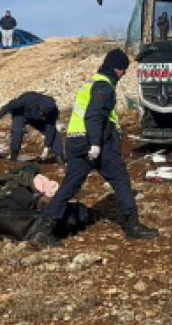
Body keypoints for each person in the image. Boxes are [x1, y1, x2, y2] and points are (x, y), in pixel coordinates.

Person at [30, 49, 159, 246]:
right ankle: (132, 226)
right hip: (93, 143)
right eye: (122, 70)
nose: (124, 74)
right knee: (120, 179)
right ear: (115, 69)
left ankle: (44, 228)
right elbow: (93, 115)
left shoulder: (89, 85)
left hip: (75, 141)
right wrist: (96, 145)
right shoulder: (104, 87)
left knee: (70, 185)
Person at [0, 91, 65, 164]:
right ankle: (13, 157)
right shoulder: (29, 98)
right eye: (42, 112)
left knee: (55, 135)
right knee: (17, 131)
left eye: (45, 113)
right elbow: (10, 106)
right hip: (21, 114)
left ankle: (60, 159)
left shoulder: (53, 112)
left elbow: (50, 129)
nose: (42, 113)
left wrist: (46, 148)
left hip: (38, 119)